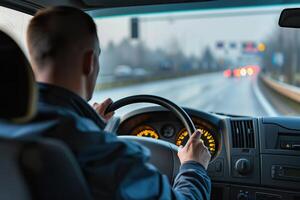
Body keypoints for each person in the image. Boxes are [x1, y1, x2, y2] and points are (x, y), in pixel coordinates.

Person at [25, 6, 212, 199]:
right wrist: (193, 167)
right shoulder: (108, 156)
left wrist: (88, 121)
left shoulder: (11, 123)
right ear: (89, 61)